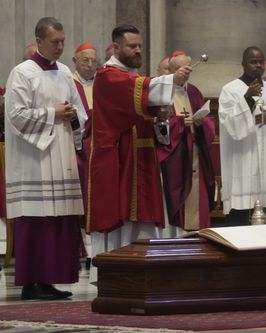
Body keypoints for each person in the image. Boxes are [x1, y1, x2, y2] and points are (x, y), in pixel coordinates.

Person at [86, 25, 191, 271]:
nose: (137, 50)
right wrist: (171, 79)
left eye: (140, 46)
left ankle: (145, 270)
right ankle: (114, 271)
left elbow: (148, 106)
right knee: (119, 216)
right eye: (132, 46)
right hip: (118, 158)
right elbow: (132, 89)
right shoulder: (107, 76)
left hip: (142, 157)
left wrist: (161, 117)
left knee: (143, 218)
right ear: (116, 47)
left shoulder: (134, 78)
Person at [4, 17, 87, 300]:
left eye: (63, 41)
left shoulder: (64, 72)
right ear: (39, 41)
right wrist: (53, 113)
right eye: (55, 42)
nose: (60, 47)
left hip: (61, 153)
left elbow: (80, 111)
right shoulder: (22, 73)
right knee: (36, 219)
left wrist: (73, 115)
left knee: (60, 218)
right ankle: (31, 282)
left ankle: (50, 279)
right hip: (34, 159)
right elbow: (15, 115)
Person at [218, 46, 266, 224]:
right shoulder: (230, 89)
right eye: (253, 62)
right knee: (241, 218)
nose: (258, 65)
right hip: (242, 162)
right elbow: (230, 125)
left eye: (260, 62)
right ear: (243, 64)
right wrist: (246, 99)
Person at [157, 53, 216, 231]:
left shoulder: (194, 91)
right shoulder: (161, 92)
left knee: (198, 199)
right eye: (177, 69)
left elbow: (208, 121)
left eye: (187, 69)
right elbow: (157, 123)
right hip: (174, 157)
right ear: (171, 70)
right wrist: (182, 122)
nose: (183, 73)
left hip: (195, 154)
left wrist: (200, 122)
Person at [72, 42, 98, 267]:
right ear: (75, 62)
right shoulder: (68, 83)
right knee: (83, 199)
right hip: (78, 150)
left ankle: (96, 251)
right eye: (85, 61)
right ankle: (85, 250)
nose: (90, 66)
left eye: (93, 61)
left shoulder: (103, 83)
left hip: (100, 149)